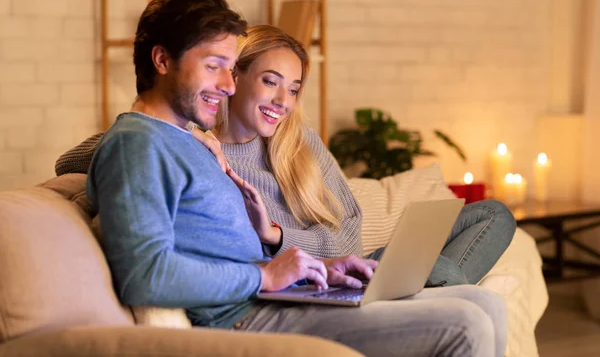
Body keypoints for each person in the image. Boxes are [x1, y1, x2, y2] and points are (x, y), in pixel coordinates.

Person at [63, 0, 507, 357]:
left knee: (485, 302)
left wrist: (316, 266)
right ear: (162, 61)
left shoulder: (184, 140)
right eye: (215, 66)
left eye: (230, 68)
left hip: (281, 295)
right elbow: (146, 275)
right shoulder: (137, 143)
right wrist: (266, 275)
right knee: (466, 322)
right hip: (248, 316)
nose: (228, 84)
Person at [57, 24, 517, 288]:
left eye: (294, 88)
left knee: (494, 214)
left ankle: (427, 288)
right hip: (306, 286)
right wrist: (182, 135)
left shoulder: (299, 144)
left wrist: (278, 235)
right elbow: (71, 161)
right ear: (234, 77)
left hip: (351, 266)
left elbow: (348, 234)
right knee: (433, 273)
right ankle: (435, 292)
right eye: (272, 81)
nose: (283, 100)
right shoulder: (184, 142)